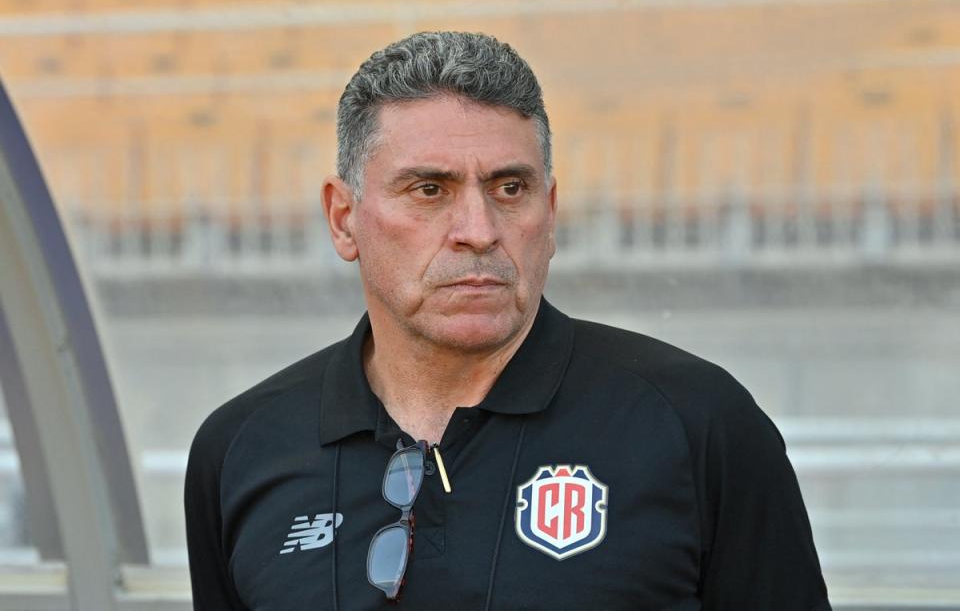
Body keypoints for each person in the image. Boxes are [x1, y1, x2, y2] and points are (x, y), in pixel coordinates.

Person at [185, 31, 831, 610]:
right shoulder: (241, 450)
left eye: (509, 189)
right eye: (429, 190)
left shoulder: (699, 425)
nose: (478, 231)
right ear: (343, 218)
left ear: (550, 213)